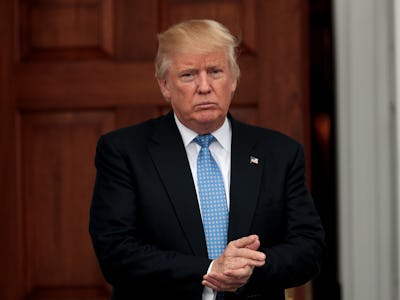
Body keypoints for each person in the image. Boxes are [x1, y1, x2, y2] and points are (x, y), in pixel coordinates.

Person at [89, 19, 325, 300]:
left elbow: (309, 248)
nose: (204, 86)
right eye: (188, 75)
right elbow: (115, 252)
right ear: (165, 85)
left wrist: (250, 269)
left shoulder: (280, 153)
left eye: (215, 72)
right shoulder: (124, 152)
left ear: (234, 79)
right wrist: (212, 269)